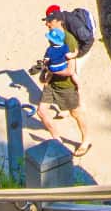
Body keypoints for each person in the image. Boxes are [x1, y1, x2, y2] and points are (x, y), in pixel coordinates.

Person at [34, 27, 91, 157]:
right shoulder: (49, 50)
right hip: (51, 84)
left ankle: (86, 140)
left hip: (66, 86)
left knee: (75, 113)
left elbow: (70, 71)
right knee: (41, 111)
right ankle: (57, 140)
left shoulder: (66, 50)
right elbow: (46, 64)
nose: (50, 41)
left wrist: (53, 70)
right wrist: (43, 71)